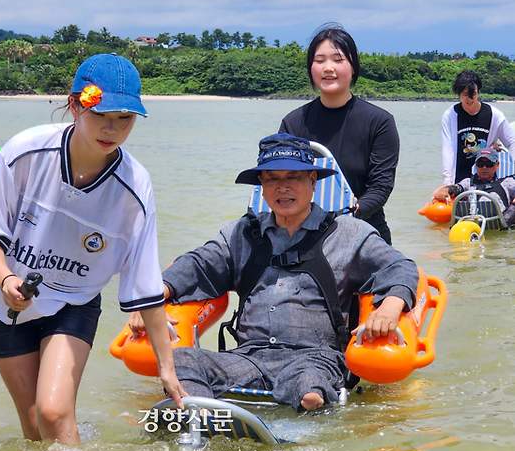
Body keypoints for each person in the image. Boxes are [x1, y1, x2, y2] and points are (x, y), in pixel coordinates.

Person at [0, 53, 185, 443]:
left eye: (125, 118)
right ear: (74, 104)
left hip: (73, 300)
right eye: (100, 114)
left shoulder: (135, 187)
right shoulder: (24, 152)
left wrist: (167, 369)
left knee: (54, 413)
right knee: (35, 423)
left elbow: (145, 282)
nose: (112, 128)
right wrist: (6, 280)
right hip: (2, 300)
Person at [128, 133, 419, 411]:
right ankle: (200, 420)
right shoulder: (241, 234)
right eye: (273, 179)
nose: (283, 187)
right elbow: (196, 265)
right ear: (262, 187)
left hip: (314, 360)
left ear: (313, 180)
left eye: (294, 177)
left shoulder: (350, 233)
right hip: (249, 359)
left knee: (309, 391)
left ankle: (302, 424)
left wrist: (390, 307)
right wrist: (150, 299)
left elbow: (400, 267)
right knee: (180, 361)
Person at [279, 24, 399, 244]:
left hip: (364, 233)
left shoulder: (380, 122)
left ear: (353, 66)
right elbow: (281, 180)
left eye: (337, 59)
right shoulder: (293, 123)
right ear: (310, 67)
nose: (328, 68)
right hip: (302, 236)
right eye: (319, 60)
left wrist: (351, 209)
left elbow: (381, 187)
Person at [441, 69, 515, 185]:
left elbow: (512, 141)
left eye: (473, 94)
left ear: (478, 92)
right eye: (465, 95)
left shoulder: (494, 115)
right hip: (459, 178)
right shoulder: (450, 115)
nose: (469, 99)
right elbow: (447, 149)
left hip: (486, 180)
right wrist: (447, 181)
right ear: (458, 93)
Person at [433, 147, 515, 226]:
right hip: (471, 223)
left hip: (501, 223)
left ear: (497, 165)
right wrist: (446, 190)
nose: (484, 168)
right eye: (480, 164)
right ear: (476, 166)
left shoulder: (507, 183)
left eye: (489, 165)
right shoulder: (468, 183)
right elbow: (456, 188)